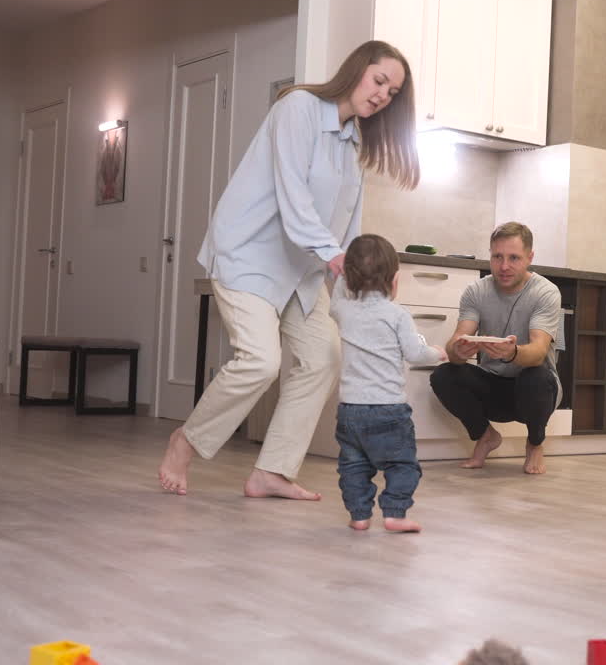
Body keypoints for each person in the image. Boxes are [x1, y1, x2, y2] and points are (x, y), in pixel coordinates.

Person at [157, 41, 420, 498]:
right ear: (357, 69)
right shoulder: (298, 108)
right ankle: (186, 441)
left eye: (393, 92)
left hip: (302, 269)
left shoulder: (355, 141)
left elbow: (347, 221)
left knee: (324, 357)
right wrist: (332, 254)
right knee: (260, 361)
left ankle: (272, 470)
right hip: (250, 254)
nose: (383, 95)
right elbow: (291, 194)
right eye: (380, 81)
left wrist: (357, 275)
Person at [329, 234, 445, 533]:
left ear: (349, 277)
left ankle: (359, 515)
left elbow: (336, 298)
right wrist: (439, 353)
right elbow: (416, 353)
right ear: (395, 279)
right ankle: (394, 513)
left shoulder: (344, 310)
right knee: (402, 464)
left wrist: (342, 276)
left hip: (350, 410)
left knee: (353, 466)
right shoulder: (398, 314)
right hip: (388, 411)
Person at [429, 222, 563, 475]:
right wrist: (459, 350)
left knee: (538, 376)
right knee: (444, 374)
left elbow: (538, 351)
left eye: (514, 258)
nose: (504, 266)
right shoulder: (476, 291)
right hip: (492, 385)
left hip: (532, 391)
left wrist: (513, 353)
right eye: (497, 257)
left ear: (530, 257)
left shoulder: (546, 292)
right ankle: (486, 436)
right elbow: (456, 340)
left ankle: (535, 443)